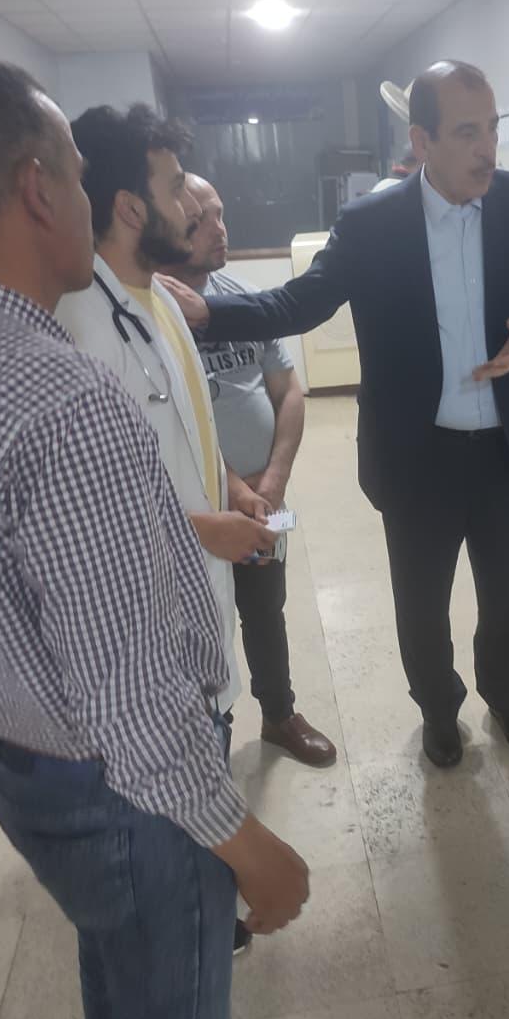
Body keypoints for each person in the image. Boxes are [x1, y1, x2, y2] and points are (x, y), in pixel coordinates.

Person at [0, 61, 308, 1019]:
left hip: (14, 745)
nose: (90, 195)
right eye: (75, 171)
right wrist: (247, 846)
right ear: (37, 188)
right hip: (121, 794)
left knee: (114, 955)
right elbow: (134, 698)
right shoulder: (56, 392)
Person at [161, 61, 509, 769]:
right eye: (468, 133)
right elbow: (298, 302)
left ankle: (508, 697)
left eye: (493, 130)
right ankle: (439, 711)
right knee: (421, 604)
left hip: (507, 451)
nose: (488, 150)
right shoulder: (373, 224)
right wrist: (210, 313)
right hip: (417, 455)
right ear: (422, 141)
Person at [55, 105, 282, 960]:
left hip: (198, 593)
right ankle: (192, 923)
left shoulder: (157, 303)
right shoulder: (80, 327)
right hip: (145, 621)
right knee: (166, 796)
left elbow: (188, 428)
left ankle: (206, 900)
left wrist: (233, 487)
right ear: (128, 207)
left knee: (204, 755)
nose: (192, 205)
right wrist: (201, 531)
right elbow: (78, 505)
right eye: (176, 187)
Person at [161, 174, 336, 769]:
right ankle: (207, 732)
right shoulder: (153, 314)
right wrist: (233, 487)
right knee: (199, 618)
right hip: (199, 504)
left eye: (221, 213)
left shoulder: (240, 299)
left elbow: (288, 391)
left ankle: (280, 715)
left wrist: (273, 482)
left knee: (266, 607)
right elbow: (177, 417)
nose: (220, 229)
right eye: (202, 220)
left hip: (265, 498)